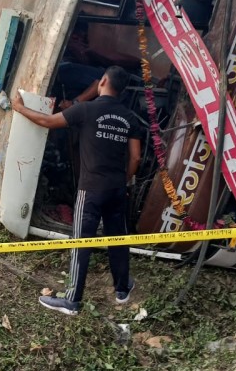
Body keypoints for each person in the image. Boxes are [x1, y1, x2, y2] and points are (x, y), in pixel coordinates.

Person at [11, 66, 142, 316]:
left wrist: (19, 108)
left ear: (103, 81)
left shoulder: (86, 110)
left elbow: (48, 122)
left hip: (91, 189)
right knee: (118, 239)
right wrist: (122, 178)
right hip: (116, 189)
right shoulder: (130, 117)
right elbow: (135, 157)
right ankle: (122, 289)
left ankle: (72, 300)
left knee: (81, 242)